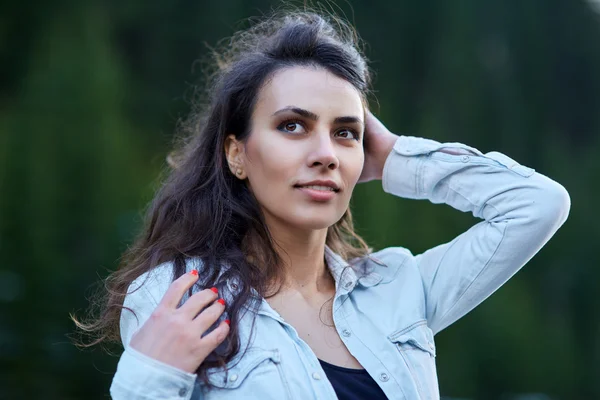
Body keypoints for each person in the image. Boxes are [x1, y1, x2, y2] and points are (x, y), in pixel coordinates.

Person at [74, 9, 571, 400]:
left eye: (345, 133)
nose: (325, 155)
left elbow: (537, 204)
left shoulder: (398, 290)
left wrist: (396, 157)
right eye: (293, 125)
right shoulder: (179, 296)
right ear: (237, 154)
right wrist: (147, 377)